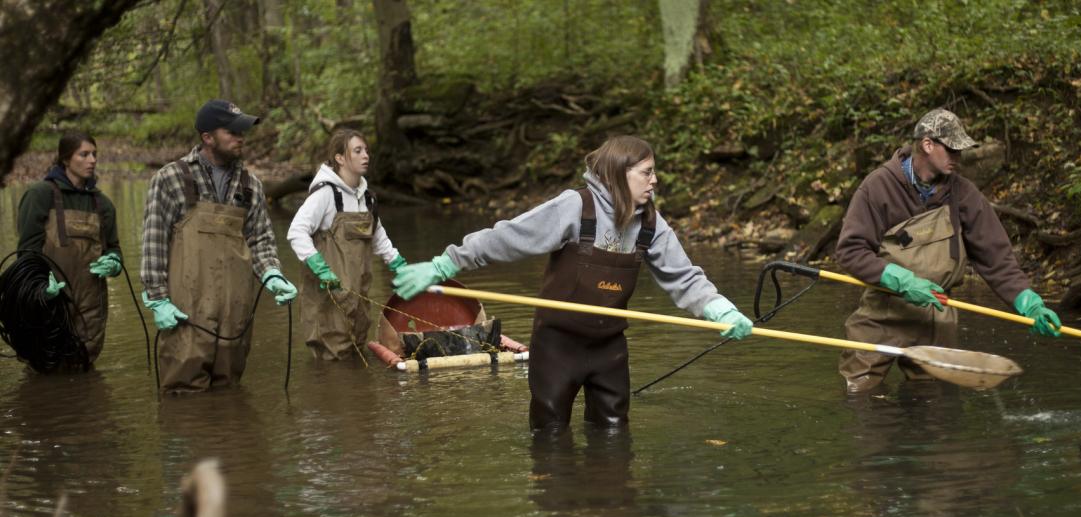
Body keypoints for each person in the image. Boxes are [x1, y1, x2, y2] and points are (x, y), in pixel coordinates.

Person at [392, 135, 754, 433]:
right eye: (647, 173)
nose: (655, 180)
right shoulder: (574, 208)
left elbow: (684, 277)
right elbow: (508, 238)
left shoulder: (651, 224)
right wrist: (446, 263)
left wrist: (718, 308)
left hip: (609, 348)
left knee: (613, 434)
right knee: (549, 437)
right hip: (557, 346)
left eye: (654, 172)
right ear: (619, 173)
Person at [835, 108, 1061, 393]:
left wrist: (1029, 304)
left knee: (934, 403)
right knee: (860, 397)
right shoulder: (877, 187)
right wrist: (901, 281)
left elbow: (997, 259)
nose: (959, 158)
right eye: (952, 150)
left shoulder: (964, 194)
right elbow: (850, 250)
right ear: (928, 145)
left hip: (937, 316)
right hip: (883, 311)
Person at [140, 99, 298, 393]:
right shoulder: (170, 179)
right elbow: (153, 245)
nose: (241, 137)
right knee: (184, 395)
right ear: (207, 137)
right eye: (232, 131)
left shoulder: (251, 185)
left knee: (230, 393)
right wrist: (158, 299)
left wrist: (272, 274)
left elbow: (261, 240)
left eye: (243, 131)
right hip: (185, 314)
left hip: (235, 315)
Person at [286, 129, 406, 361]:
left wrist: (398, 264)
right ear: (340, 158)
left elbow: (378, 235)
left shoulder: (367, 197)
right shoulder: (325, 194)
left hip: (358, 297)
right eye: (358, 151)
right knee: (332, 359)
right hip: (328, 297)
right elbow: (296, 232)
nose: (366, 156)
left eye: (366, 151)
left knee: (357, 350)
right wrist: (321, 269)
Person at [15, 132, 121, 366]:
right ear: (65, 159)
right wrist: (39, 290)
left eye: (95, 154)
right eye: (84, 154)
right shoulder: (39, 195)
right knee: (44, 368)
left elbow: (113, 248)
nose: (92, 160)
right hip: (49, 299)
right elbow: (26, 254)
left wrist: (114, 262)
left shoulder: (103, 204)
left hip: (91, 303)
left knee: (84, 368)